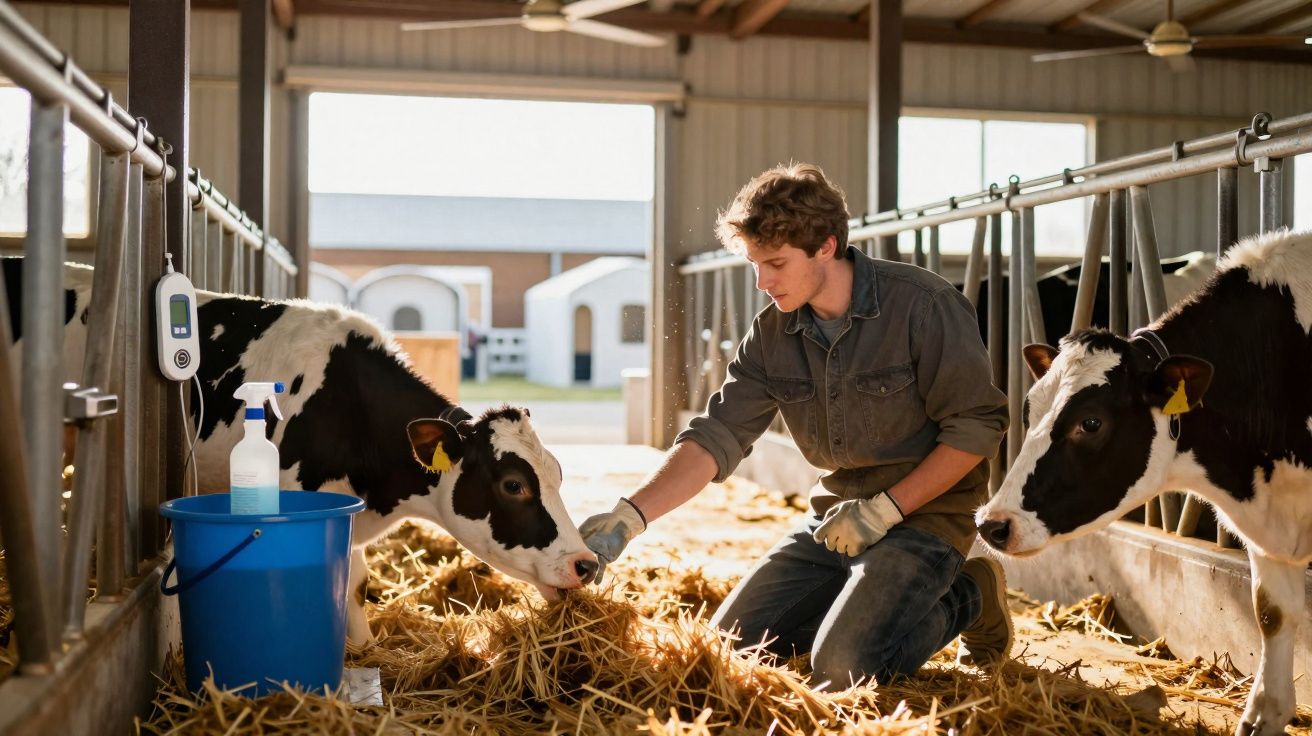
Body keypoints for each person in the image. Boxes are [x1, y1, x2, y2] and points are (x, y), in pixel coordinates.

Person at [579, 163, 1012, 690]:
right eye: (755, 265)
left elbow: (976, 429)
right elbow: (717, 436)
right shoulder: (773, 333)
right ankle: (856, 608)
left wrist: (887, 510)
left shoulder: (924, 306)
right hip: (835, 519)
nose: (763, 283)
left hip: (927, 518)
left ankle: (967, 593)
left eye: (777, 263)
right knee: (728, 651)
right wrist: (629, 517)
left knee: (843, 669)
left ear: (826, 247)